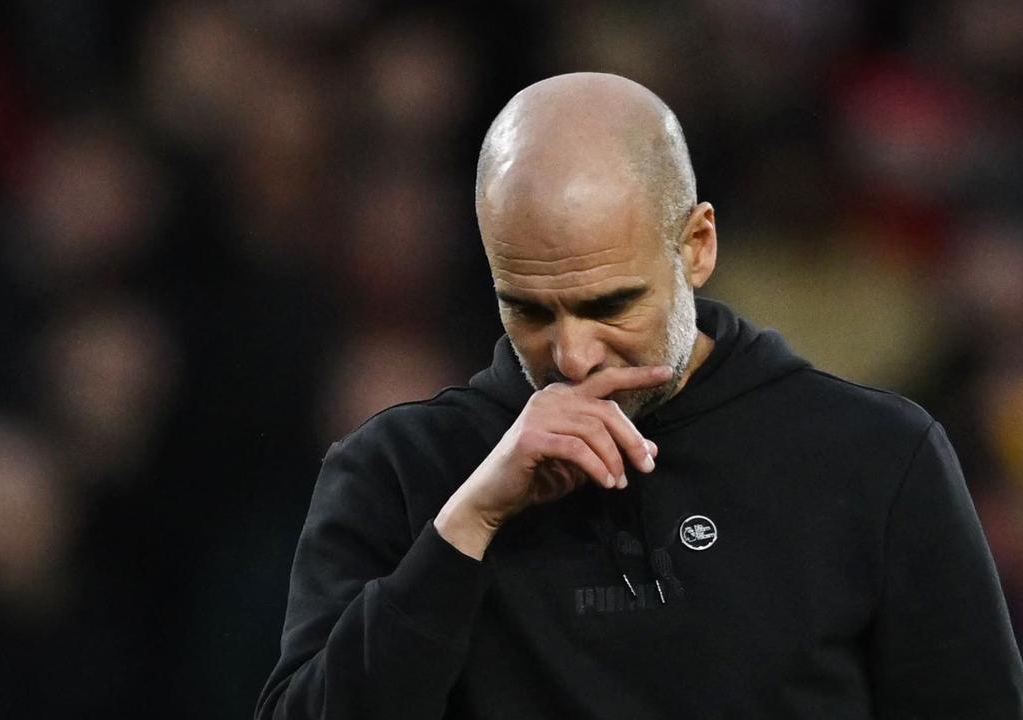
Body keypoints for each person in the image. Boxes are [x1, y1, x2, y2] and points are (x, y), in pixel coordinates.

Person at [255, 73, 1023, 719]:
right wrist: (468, 523)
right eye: (527, 308)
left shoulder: (875, 458)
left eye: (609, 305)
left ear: (697, 246)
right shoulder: (397, 470)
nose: (571, 355)